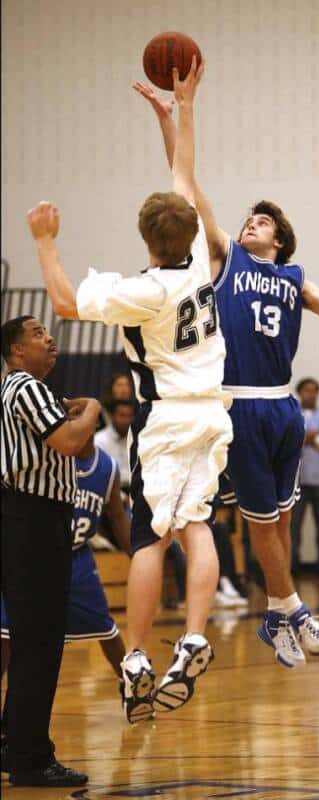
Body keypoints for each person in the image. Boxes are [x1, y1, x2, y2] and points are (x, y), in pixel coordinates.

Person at [135, 76, 319, 668]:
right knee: (261, 523)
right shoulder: (226, 256)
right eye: (249, 219)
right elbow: (185, 187)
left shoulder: (294, 279)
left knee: (280, 520)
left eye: (261, 222)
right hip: (236, 403)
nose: (250, 224)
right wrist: (175, 118)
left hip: (282, 404)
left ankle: (276, 616)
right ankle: (293, 609)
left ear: (280, 239)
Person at [27, 59, 233, 722]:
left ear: (147, 237)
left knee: (150, 535)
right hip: (214, 411)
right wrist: (177, 111)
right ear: (185, 230)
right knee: (198, 525)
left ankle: (139, 652)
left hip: (168, 418)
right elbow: (184, 175)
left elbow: (61, 300)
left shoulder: (141, 293)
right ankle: (197, 634)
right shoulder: (201, 251)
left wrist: (46, 242)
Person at [1, 315, 100, 787]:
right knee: (39, 643)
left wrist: (80, 421)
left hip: (26, 518)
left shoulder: (17, 390)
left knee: (30, 641)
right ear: (17, 350)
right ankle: (31, 757)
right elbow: (69, 442)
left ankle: (12, 741)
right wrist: (94, 409)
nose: (49, 338)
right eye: (38, 333)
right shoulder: (27, 388)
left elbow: (73, 448)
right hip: (35, 518)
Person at [1, 435, 131, 692]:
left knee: (106, 630)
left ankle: (131, 687)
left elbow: (117, 517)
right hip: (34, 556)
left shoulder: (108, 469)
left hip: (77, 560)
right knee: (5, 634)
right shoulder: (46, 460)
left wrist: (135, 555)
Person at [290, 378, 319, 577]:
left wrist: (304, 437)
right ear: (300, 393)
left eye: (315, 391)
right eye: (307, 390)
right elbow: (289, 439)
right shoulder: (292, 413)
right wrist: (310, 437)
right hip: (295, 481)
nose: (311, 394)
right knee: (293, 527)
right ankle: (292, 565)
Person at [95, 398, 135, 492]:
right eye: (122, 415)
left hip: (134, 491)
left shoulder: (137, 440)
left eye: (129, 416)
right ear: (112, 416)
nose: (126, 420)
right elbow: (98, 477)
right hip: (108, 491)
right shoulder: (99, 441)